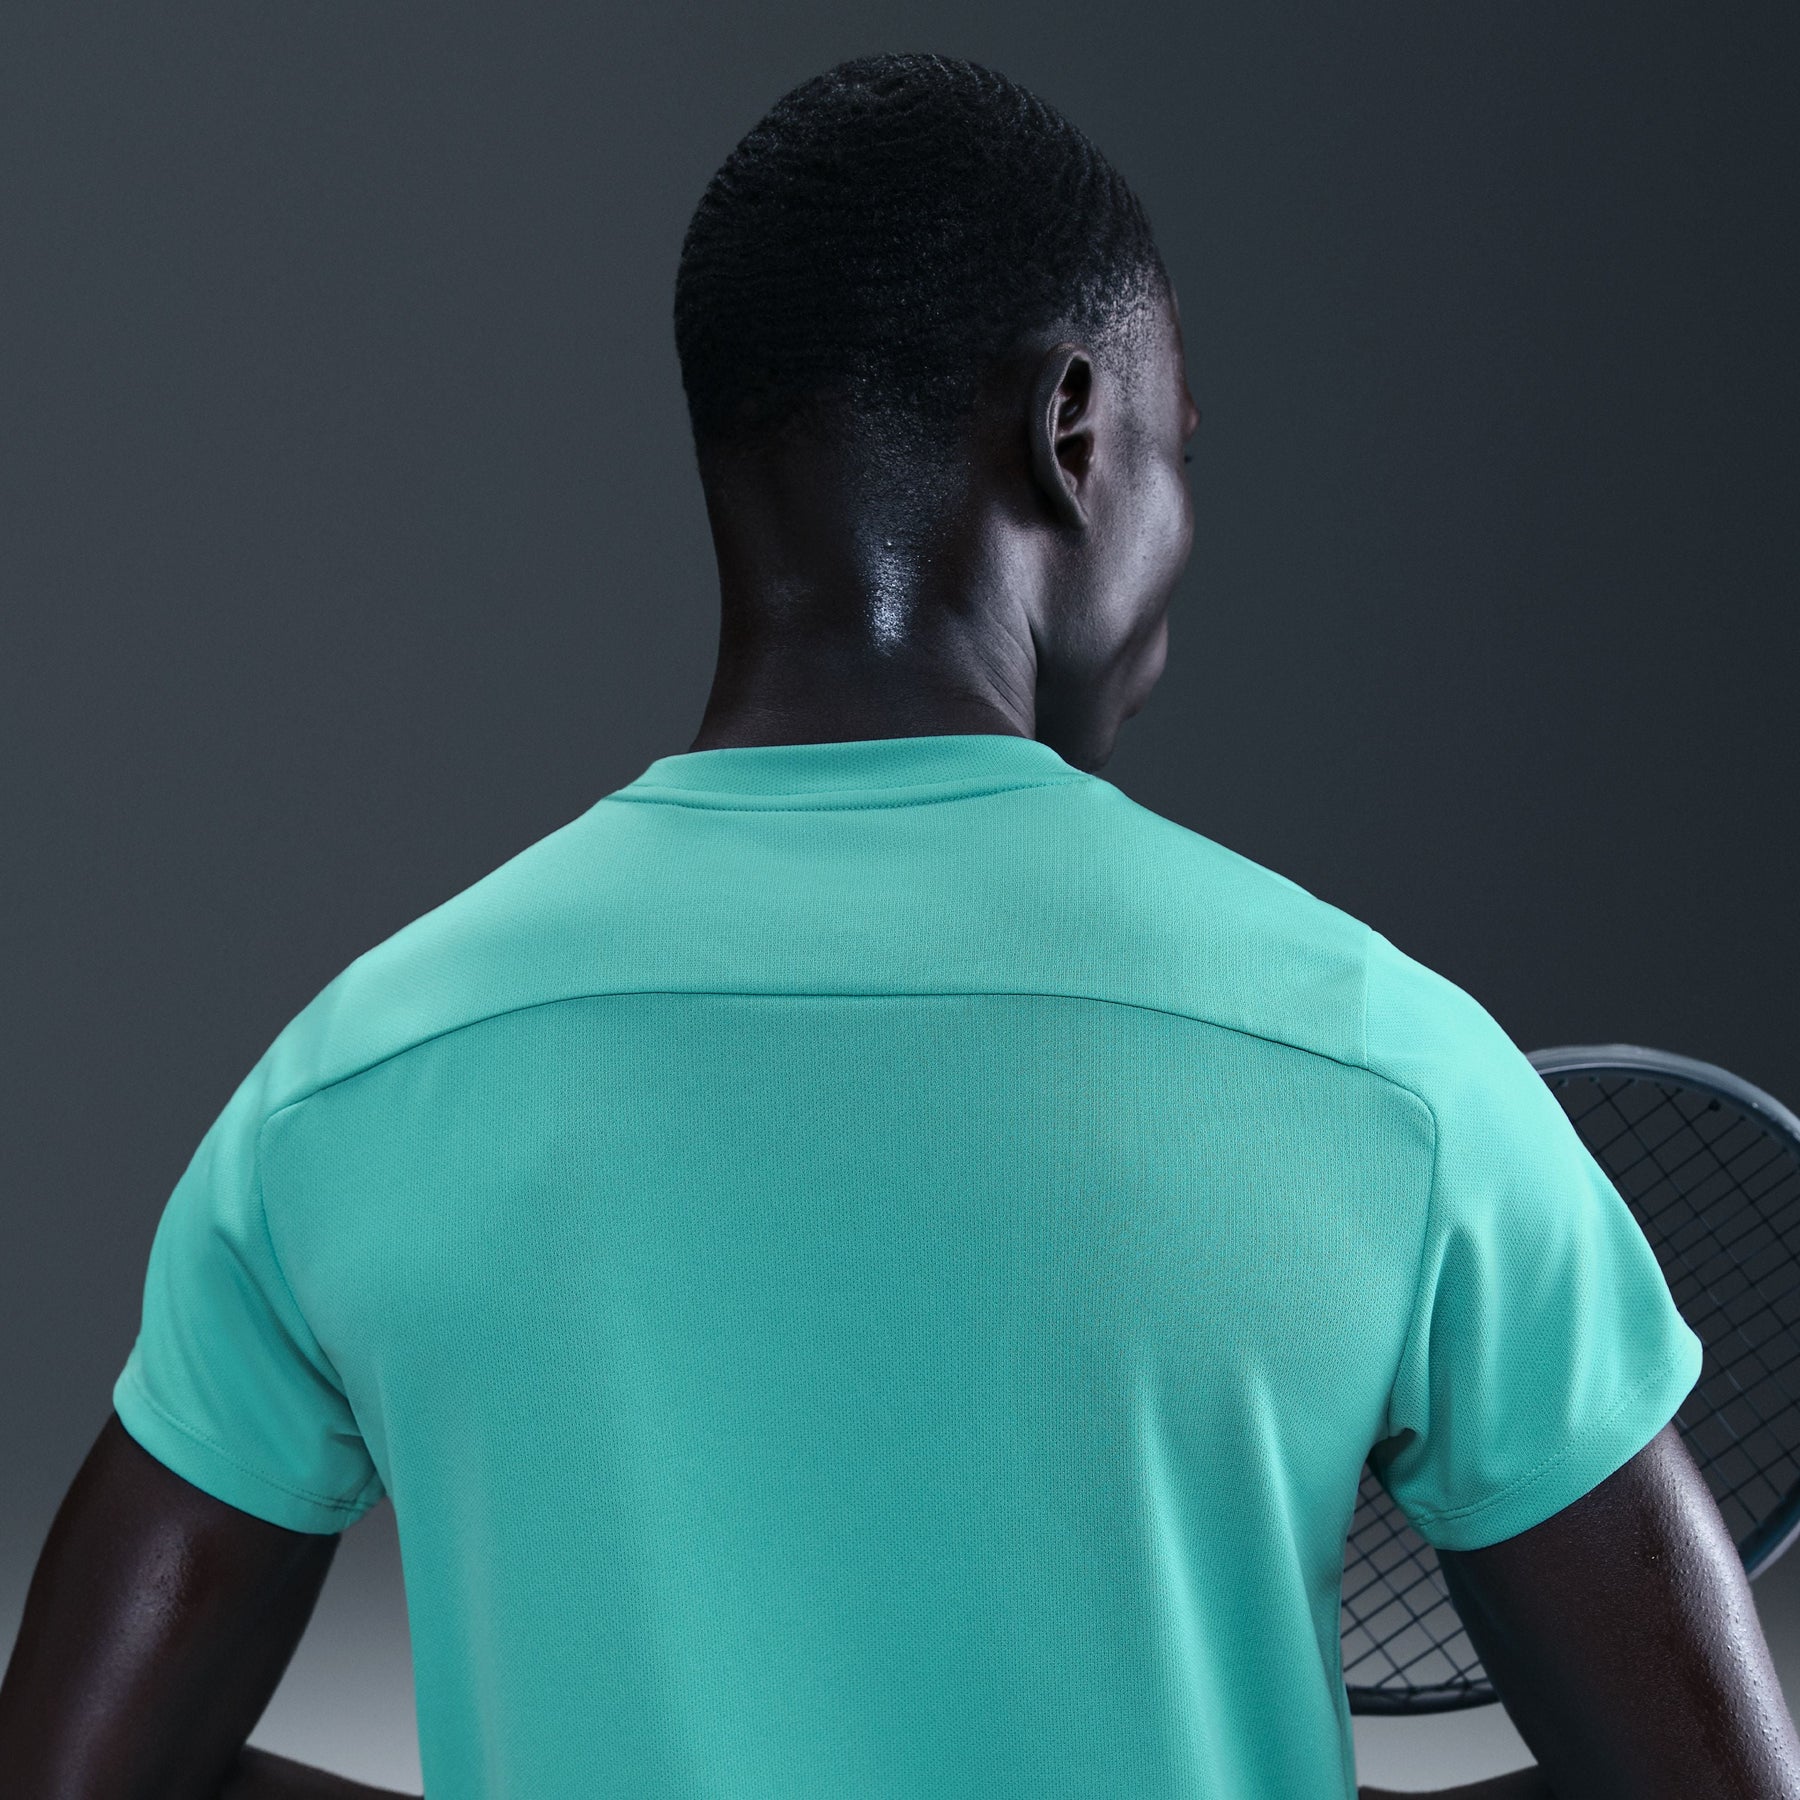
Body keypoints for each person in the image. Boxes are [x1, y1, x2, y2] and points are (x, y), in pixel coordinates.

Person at [1, 49, 1794, 1800]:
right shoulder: (1395, 1080)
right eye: (1177, 446)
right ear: (1073, 436)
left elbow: (71, 1772)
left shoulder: (348, 1094)